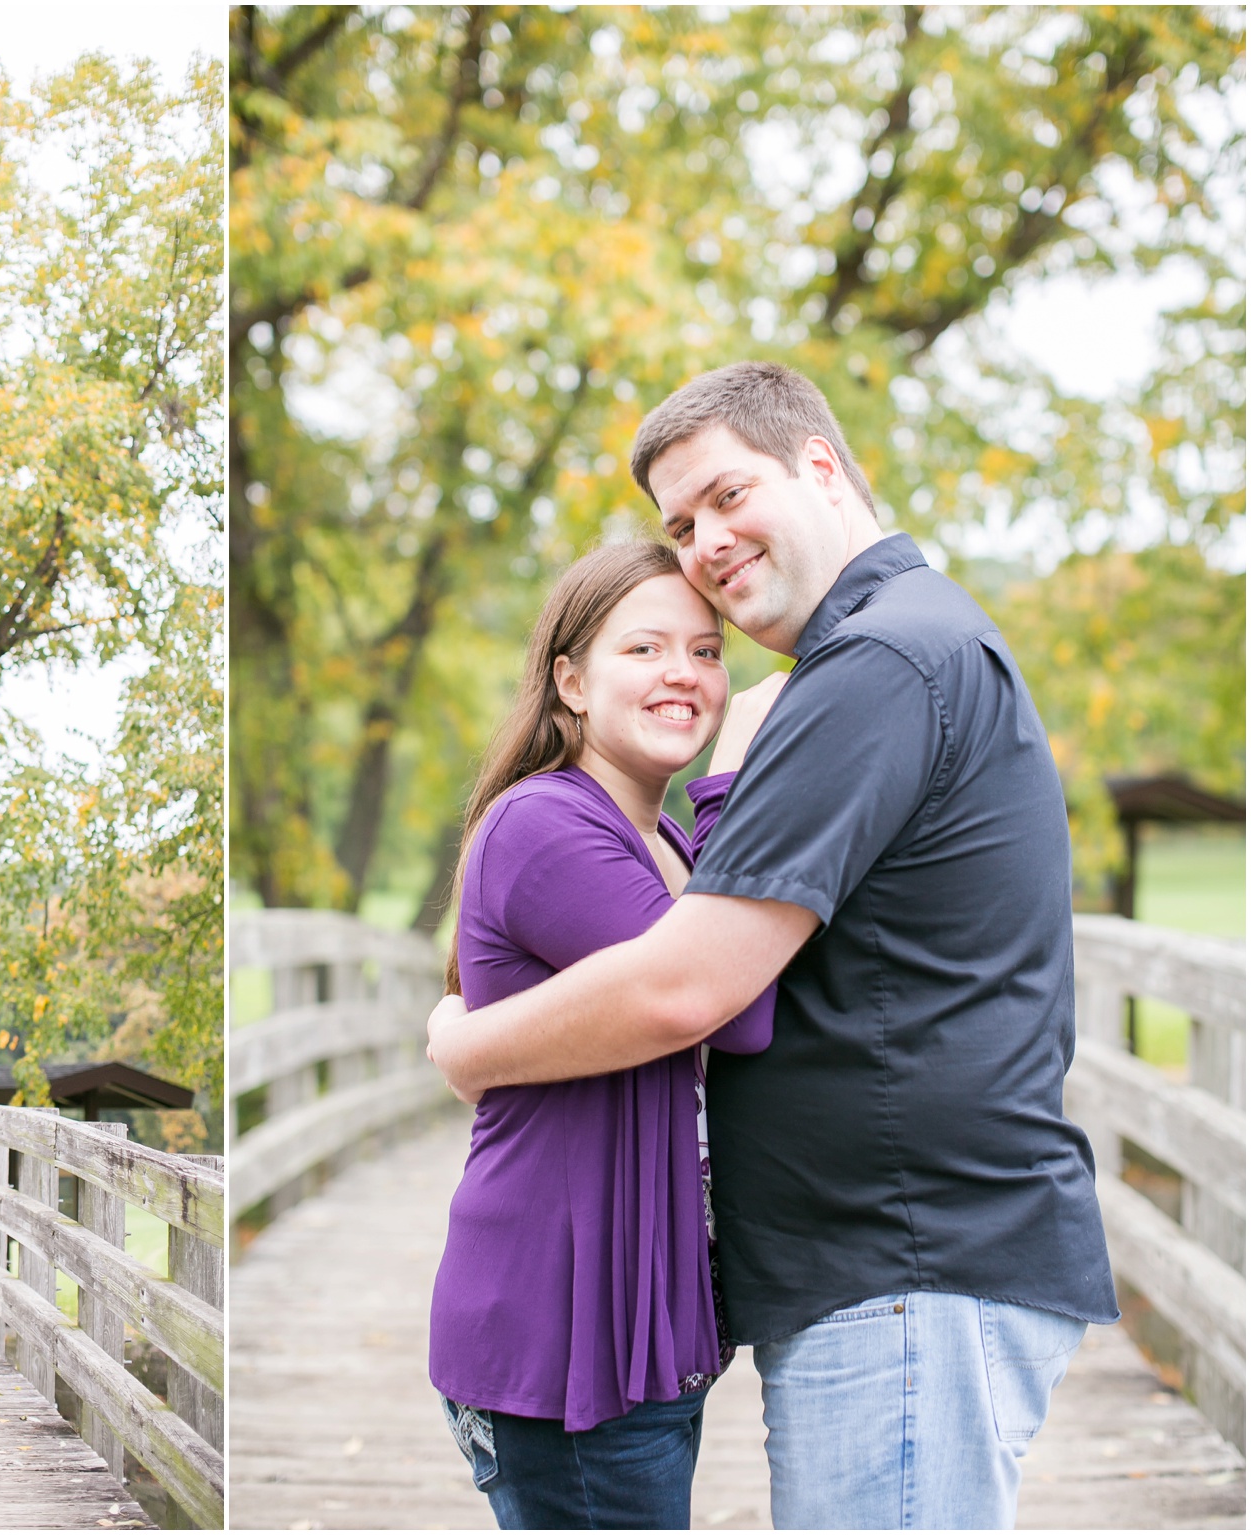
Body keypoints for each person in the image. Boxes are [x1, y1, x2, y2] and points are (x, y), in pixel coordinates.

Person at [427, 361, 1116, 1530]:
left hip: (907, 1260)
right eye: (680, 524)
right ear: (568, 679)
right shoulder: (885, 655)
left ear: (818, 464)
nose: (705, 540)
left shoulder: (879, 663)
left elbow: (694, 984)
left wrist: (465, 1042)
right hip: (867, 1268)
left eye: (725, 496)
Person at [430, 539, 779, 1530]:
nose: (683, 672)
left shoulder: (660, 840)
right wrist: (732, 782)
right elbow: (730, 1006)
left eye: (706, 651)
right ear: (570, 680)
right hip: (560, 1342)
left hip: (630, 1335)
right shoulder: (545, 823)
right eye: (645, 648)